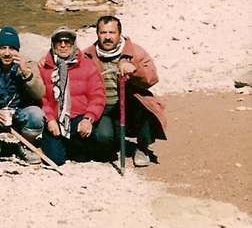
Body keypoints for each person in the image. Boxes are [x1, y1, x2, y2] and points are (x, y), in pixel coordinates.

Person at [83, 16, 167, 167]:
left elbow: (152, 78)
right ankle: (115, 141)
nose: (107, 37)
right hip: (103, 109)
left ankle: (142, 148)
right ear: (97, 34)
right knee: (103, 139)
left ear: (119, 33)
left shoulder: (135, 51)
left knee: (147, 111)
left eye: (112, 32)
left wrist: (135, 70)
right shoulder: (88, 55)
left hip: (129, 105)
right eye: (103, 33)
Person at [0, 26, 45, 164]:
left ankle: (25, 145)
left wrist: (26, 73)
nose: (7, 53)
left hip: (19, 114)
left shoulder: (28, 65)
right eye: (2, 48)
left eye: (11, 48)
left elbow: (40, 93)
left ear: (18, 51)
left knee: (36, 115)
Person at [38, 27, 105, 166]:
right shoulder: (44, 67)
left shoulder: (87, 65)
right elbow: (41, 98)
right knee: (55, 160)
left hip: (79, 118)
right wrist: (50, 120)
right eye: (59, 41)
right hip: (55, 120)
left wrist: (89, 118)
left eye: (67, 41)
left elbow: (97, 96)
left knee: (86, 155)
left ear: (73, 43)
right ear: (53, 44)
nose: (63, 45)